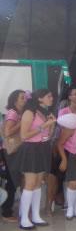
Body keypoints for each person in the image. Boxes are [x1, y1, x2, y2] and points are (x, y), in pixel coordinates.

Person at [18, 89, 56, 230]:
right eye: (49, 96)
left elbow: (49, 135)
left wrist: (51, 125)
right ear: (40, 98)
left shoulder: (45, 112)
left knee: (39, 183)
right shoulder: (29, 112)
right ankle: (24, 218)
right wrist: (43, 126)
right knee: (30, 183)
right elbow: (23, 135)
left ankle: (35, 216)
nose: (51, 98)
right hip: (31, 149)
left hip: (43, 148)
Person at [1, 90, 27, 222]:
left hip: (18, 150)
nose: (25, 99)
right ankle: (6, 212)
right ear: (15, 100)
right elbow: (7, 132)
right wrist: (22, 122)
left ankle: (13, 208)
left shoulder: (21, 113)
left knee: (17, 179)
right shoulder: (13, 113)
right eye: (22, 98)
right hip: (11, 151)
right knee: (11, 181)